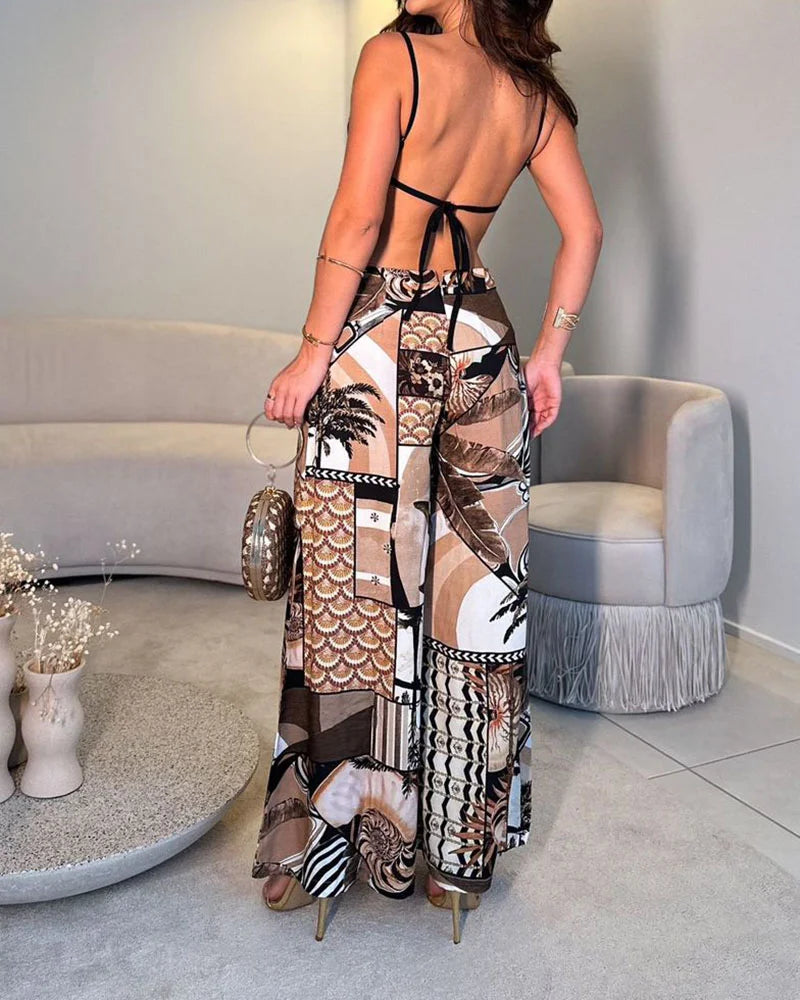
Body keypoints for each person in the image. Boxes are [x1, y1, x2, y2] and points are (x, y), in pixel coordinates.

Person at [251, 0, 602, 944]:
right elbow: (586, 231)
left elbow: (360, 214)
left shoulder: (393, 56)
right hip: (484, 341)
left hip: (377, 340)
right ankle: (458, 862)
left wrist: (311, 354)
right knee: (477, 610)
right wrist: (548, 357)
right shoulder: (531, 93)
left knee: (353, 590)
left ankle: (320, 848)